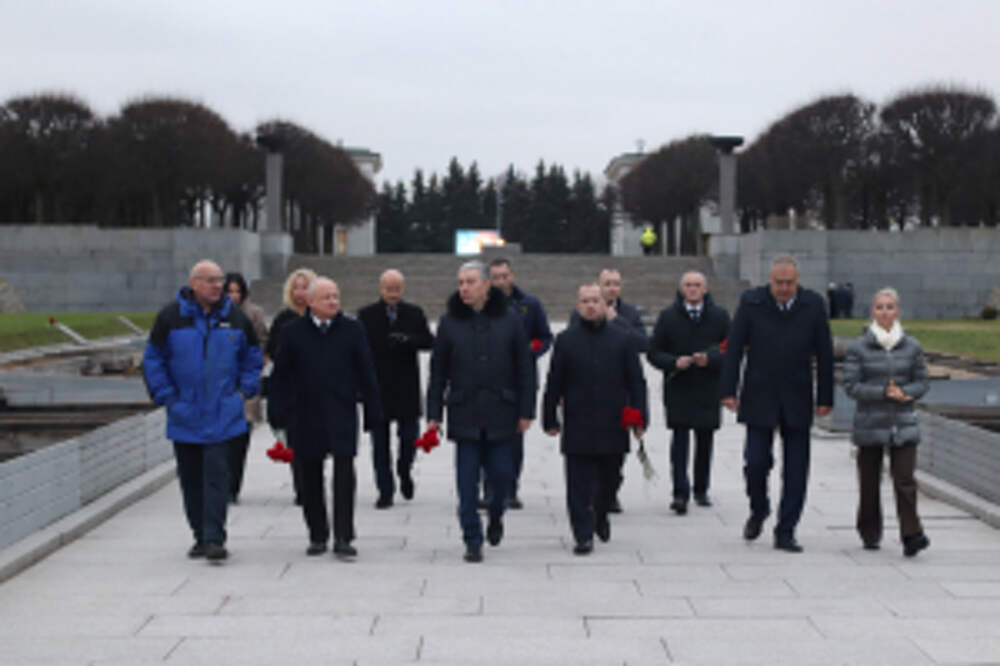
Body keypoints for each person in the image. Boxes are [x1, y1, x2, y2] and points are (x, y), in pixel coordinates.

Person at [143, 260, 263, 562]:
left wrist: (243, 392)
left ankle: (214, 537)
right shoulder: (171, 317)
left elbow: (252, 357)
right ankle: (199, 534)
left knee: (217, 478)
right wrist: (167, 396)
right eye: (210, 280)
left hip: (223, 413)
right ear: (193, 283)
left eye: (219, 280)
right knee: (191, 479)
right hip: (185, 413)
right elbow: (153, 359)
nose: (217, 285)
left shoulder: (235, 318)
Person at [720, 255, 834, 553]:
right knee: (755, 462)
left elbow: (824, 352)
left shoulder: (812, 305)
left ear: (798, 281)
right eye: (778, 283)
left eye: (789, 283)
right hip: (760, 395)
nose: (784, 288)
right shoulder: (752, 303)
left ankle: (786, 529)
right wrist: (728, 390)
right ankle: (759, 508)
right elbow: (734, 348)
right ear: (769, 281)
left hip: (797, 396)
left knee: (796, 469)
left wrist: (825, 397)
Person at [426, 261, 535, 563]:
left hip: (502, 412)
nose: (464, 288)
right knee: (466, 484)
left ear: (486, 285)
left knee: (501, 477)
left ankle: (496, 514)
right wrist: (434, 412)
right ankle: (472, 539)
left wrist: (526, 411)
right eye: (461, 282)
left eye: (471, 282)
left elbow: (525, 369)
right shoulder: (449, 322)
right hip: (465, 413)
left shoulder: (510, 319)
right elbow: (438, 372)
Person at [267, 278, 382, 558]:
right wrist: (277, 414)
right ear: (310, 302)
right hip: (305, 413)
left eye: (336, 296)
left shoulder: (352, 329)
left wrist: (373, 410)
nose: (333, 302)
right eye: (326, 297)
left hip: (341, 410)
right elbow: (280, 375)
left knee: (344, 472)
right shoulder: (292, 332)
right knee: (310, 475)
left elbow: (366, 372)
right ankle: (318, 533)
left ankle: (343, 535)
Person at [543, 284, 647, 555]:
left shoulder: (622, 339)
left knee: (610, 479)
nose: (590, 306)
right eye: (585, 301)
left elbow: (636, 382)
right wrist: (549, 417)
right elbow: (554, 382)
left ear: (605, 305)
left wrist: (640, 417)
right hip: (578, 422)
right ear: (578, 306)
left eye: (595, 301)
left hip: (613, 422)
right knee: (578, 483)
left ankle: (601, 513)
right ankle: (582, 534)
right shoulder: (566, 340)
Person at [842, 287, 930, 557]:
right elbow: (851, 386)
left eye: (889, 307)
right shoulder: (859, 347)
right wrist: (882, 392)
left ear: (897, 311)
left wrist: (905, 393)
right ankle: (869, 532)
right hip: (870, 423)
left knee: (905, 481)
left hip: (903, 423)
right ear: (873, 312)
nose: (885, 312)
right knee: (869, 482)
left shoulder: (912, 346)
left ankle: (912, 534)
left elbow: (922, 382)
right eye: (880, 307)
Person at [647, 271, 730, 515]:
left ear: (705, 289)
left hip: (708, 387)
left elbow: (732, 350)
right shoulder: (668, 317)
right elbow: (653, 352)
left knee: (705, 440)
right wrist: (673, 362)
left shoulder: (720, 316)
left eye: (697, 285)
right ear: (682, 289)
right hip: (679, 387)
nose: (692, 289)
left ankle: (701, 489)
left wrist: (710, 359)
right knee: (680, 441)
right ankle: (680, 493)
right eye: (688, 285)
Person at [357, 269, 434, 509]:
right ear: (381, 289)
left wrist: (408, 340)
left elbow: (429, 341)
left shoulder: (414, 313)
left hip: (406, 387)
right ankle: (385, 490)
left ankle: (404, 470)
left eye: (397, 289)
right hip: (378, 387)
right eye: (389, 289)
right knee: (379, 443)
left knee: (409, 437)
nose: (393, 294)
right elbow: (357, 349)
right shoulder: (366, 315)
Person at [488, 256, 552, 509]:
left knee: (515, 437)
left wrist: (529, 351)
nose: (500, 281)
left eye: (504, 276)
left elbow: (545, 337)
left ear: (512, 276)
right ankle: (489, 488)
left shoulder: (529, 304)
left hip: (521, 380)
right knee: (487, 435)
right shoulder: (482, 304)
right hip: (490, 380)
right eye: (495, 277)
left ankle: (510, 488)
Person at [266, 267, 317, 506]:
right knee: (295, 440)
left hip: (316, 389)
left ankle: (312, 483)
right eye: (296, 287)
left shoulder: (320, 316)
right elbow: (271, 352)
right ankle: (302, 488)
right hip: (291, 389)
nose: (300, 292)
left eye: (305, 287)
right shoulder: (283, 319)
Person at [223, 272, 268, 504]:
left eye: (237, 291)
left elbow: (262, 343)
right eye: (229, 291)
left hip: (246, 383)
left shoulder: (254, 314)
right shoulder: (216, 314)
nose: (233, 296)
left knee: (241, 440)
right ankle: (223, 485)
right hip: (223, 383)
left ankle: (233, 487)